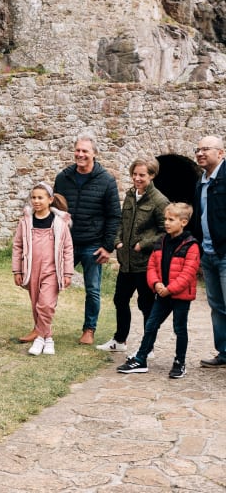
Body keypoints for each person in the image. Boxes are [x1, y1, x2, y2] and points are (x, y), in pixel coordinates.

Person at [117, 203, 200, 378]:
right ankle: (141, 358)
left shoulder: (191, 246)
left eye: (171, 219)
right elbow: (152, 266)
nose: (166, 223)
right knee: (151, 325)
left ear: (183, 222)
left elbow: (188, 273)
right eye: (165, 219)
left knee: (180, 328)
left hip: (180, 296)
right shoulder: (161, 242)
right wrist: (156, 284)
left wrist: (169, 289)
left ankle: (179, 362)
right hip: (162, 293)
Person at [53, 131, 121, 344]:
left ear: (94, 154)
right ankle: (42, 326)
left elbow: (114, 216)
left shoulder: (106, 180)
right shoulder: (63, 178)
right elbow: (54, 209)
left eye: (85, 151)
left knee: (92, 289)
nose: (80, 154)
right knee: (50, 283)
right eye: (78, 150)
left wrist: (108, 247)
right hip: (67, 242)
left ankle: (89, 329)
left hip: (93, 244)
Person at [97, 158, 169, 353]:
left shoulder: (160, 201)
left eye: (142, 175)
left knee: (146, 305)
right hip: (126, 262)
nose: (137, 178)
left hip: (146, 264)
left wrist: (143, 244)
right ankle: (119, 341)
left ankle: (148, 348)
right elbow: (122, 221)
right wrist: (117, 241)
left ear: (152, 175)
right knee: (120, 300)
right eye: (134, 174)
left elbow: (166, 232)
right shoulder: (130, 195)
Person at [12, 182, 74, 355]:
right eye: (33, 197)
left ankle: (41, 337)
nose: (36, 201)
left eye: (40, 197)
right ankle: (47, 340)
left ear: (50, 200)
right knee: (35, 305)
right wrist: (17, 270)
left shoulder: (60, 223)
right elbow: (17, 246)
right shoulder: (25, 222)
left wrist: (68, 272)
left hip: (52, 271)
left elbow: (68, 248)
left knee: (45, 305)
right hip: (31, 270)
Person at [192, 135, 226, 368]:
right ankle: (224, 352)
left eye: (206, 149)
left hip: (224, 253)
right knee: (216, 306)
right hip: (208, 252)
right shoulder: (201, 181)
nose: (200, 153)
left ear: (221, 153)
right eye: (198, 150)